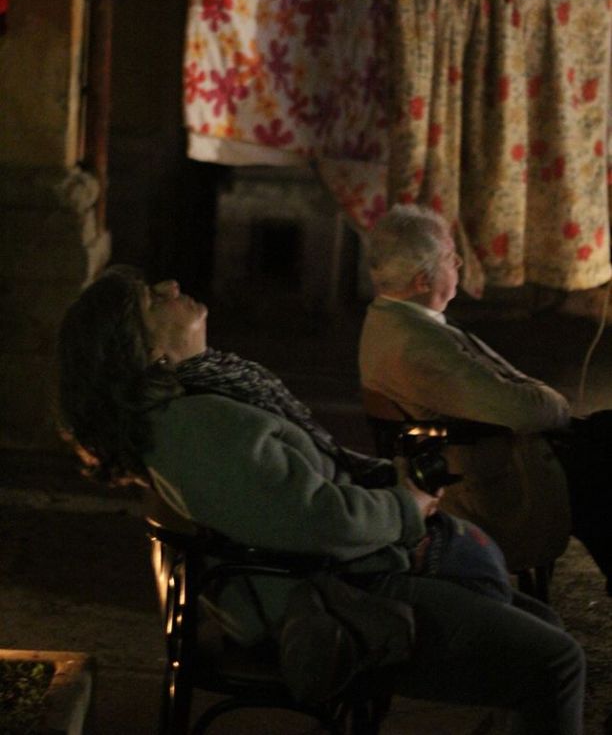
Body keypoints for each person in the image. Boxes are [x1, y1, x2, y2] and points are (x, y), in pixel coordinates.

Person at [57, 265, 586, 734]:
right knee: (556, 661)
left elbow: (300, 491)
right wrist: (403, 506)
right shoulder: (193, 428)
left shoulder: (201, 398)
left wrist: (392, 486)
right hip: (335, 596)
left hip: (337, 572)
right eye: (153, 300)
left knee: (545, 632)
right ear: (150, 353)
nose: (171, 285)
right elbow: (314, 520)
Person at [359, 203, 612, 591]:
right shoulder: (415, 344)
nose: (459, 263)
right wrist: (554, 402)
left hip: (484, 455)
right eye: (450, 257)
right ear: (423, 280)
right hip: (488, 481)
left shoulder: (399, 320)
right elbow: (519, 410)